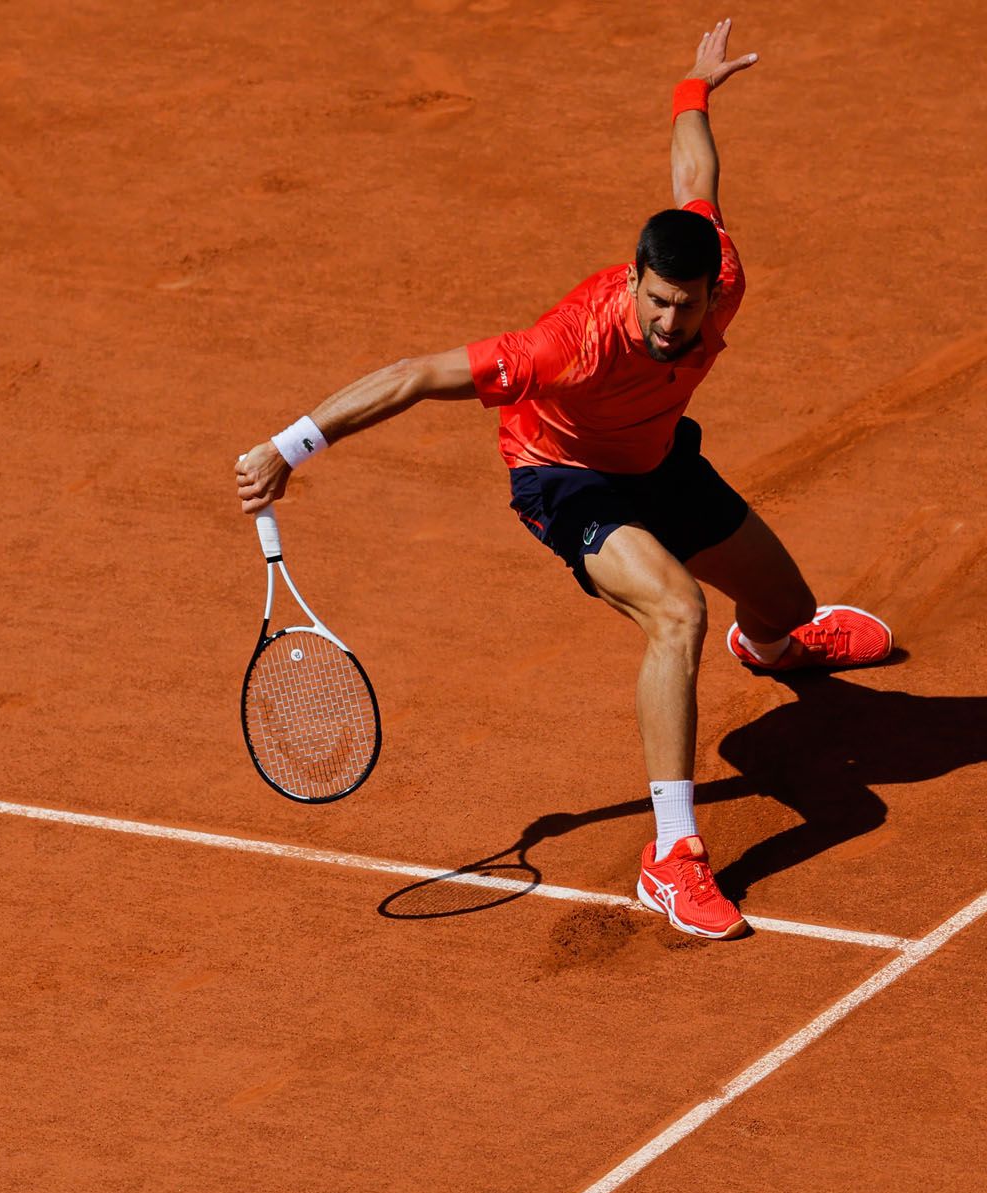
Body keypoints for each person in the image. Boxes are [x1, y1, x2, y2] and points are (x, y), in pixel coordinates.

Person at [235, 18, 894, 940]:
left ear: (714, 290)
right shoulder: (565, 347)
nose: (670, 321)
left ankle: (776, 647)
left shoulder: (719, 270)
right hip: (566, 476)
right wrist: (288, 446)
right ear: (634, 282)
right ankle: (672, 858)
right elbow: (418, 375)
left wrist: (693, 88)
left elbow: (694, 177)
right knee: (676, 611)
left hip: (660, 458)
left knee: (784, 603)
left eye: (685, 304)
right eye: (655, 300)